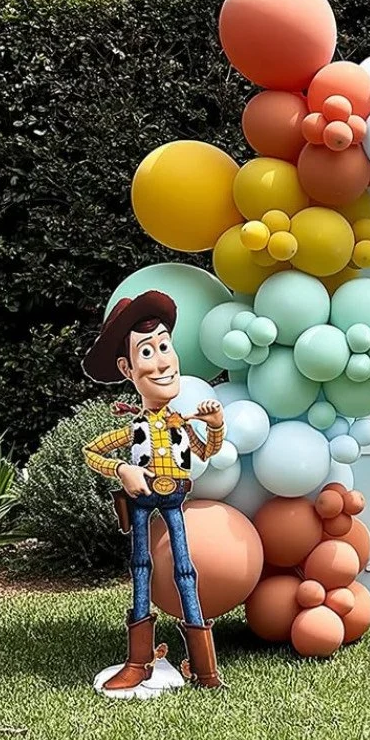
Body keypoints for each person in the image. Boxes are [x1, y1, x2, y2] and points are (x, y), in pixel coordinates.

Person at [83, 291, 227, 692]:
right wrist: (123, 467)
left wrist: (215, 426)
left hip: (175, 498)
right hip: (144, 501)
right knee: (141, 569)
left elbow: (206, 452)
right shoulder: (134, 428)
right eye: (148, 352)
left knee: (185, 570)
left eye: (165, 346)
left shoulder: (182, 423)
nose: (162, 361)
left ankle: (205, 669)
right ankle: (139, 661)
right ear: (127, 369)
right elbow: (91, 452)